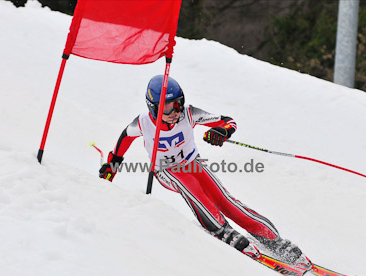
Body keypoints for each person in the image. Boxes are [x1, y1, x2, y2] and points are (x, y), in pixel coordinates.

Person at [99, 75, 306, 265]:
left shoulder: (188, 113)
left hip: (192, 163)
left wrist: (222, 132)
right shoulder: (144, 122)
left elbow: (228, 121)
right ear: (154, 108)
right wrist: (112, 165)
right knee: (189, 186)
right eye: (168, 108)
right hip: (165, 170)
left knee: (224, 199)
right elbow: (125, 137)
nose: (175, 112)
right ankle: (221, 229)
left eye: (178, 104)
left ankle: (272, 239)